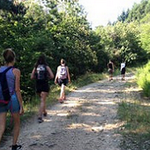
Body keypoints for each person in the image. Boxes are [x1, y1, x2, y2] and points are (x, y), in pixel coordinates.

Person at [0, 48, 24, 150]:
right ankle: (14, 146)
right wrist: (21, 105)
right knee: (17, 123)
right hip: (12, 99)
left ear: (4, 58)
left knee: (1, 126)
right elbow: (17, 89)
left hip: (1, 99)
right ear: (13, 58)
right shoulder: (16, 71)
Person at [31, 55, 54, 123]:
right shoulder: (46, 66)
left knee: (42, 100)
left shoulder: (36, 67)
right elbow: (52, 76)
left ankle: (44, 112)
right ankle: (40, 116)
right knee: (42, 101)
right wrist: (47, 77)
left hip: (38, 84)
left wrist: (36, 78)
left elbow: (32, 77)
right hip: (44, 84)